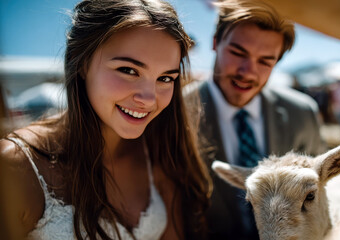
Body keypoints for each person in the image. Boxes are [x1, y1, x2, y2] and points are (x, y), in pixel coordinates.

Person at [0, 0, 212, 239]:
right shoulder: (15, 167)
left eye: (165, 78)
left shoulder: (159, 151)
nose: (149, 99)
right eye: (129, 70)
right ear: (81, 63)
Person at [186, 0, 323, 239]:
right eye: (238, 53)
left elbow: (319, 195)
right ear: (215, 43)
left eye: (265, 62)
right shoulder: (175, 111)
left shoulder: (302, 113)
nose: (248, 71)